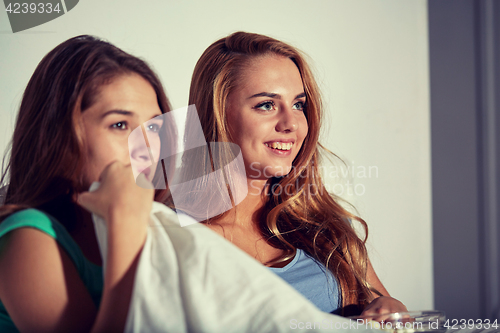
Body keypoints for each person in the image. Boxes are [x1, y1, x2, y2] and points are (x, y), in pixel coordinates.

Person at [183, 31, 407, 316]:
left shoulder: (326, 227)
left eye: (298, 104)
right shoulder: (175, 237)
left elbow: (385, 309)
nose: (292, 123)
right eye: (267, 105)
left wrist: (388, 308)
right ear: (216, 112)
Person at [0, 35, 175, 332]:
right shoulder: (26, 237)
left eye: (154, 127)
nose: (146, 145)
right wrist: (126, 227)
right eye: (120, 125)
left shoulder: (157, 221)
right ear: (60, 135)